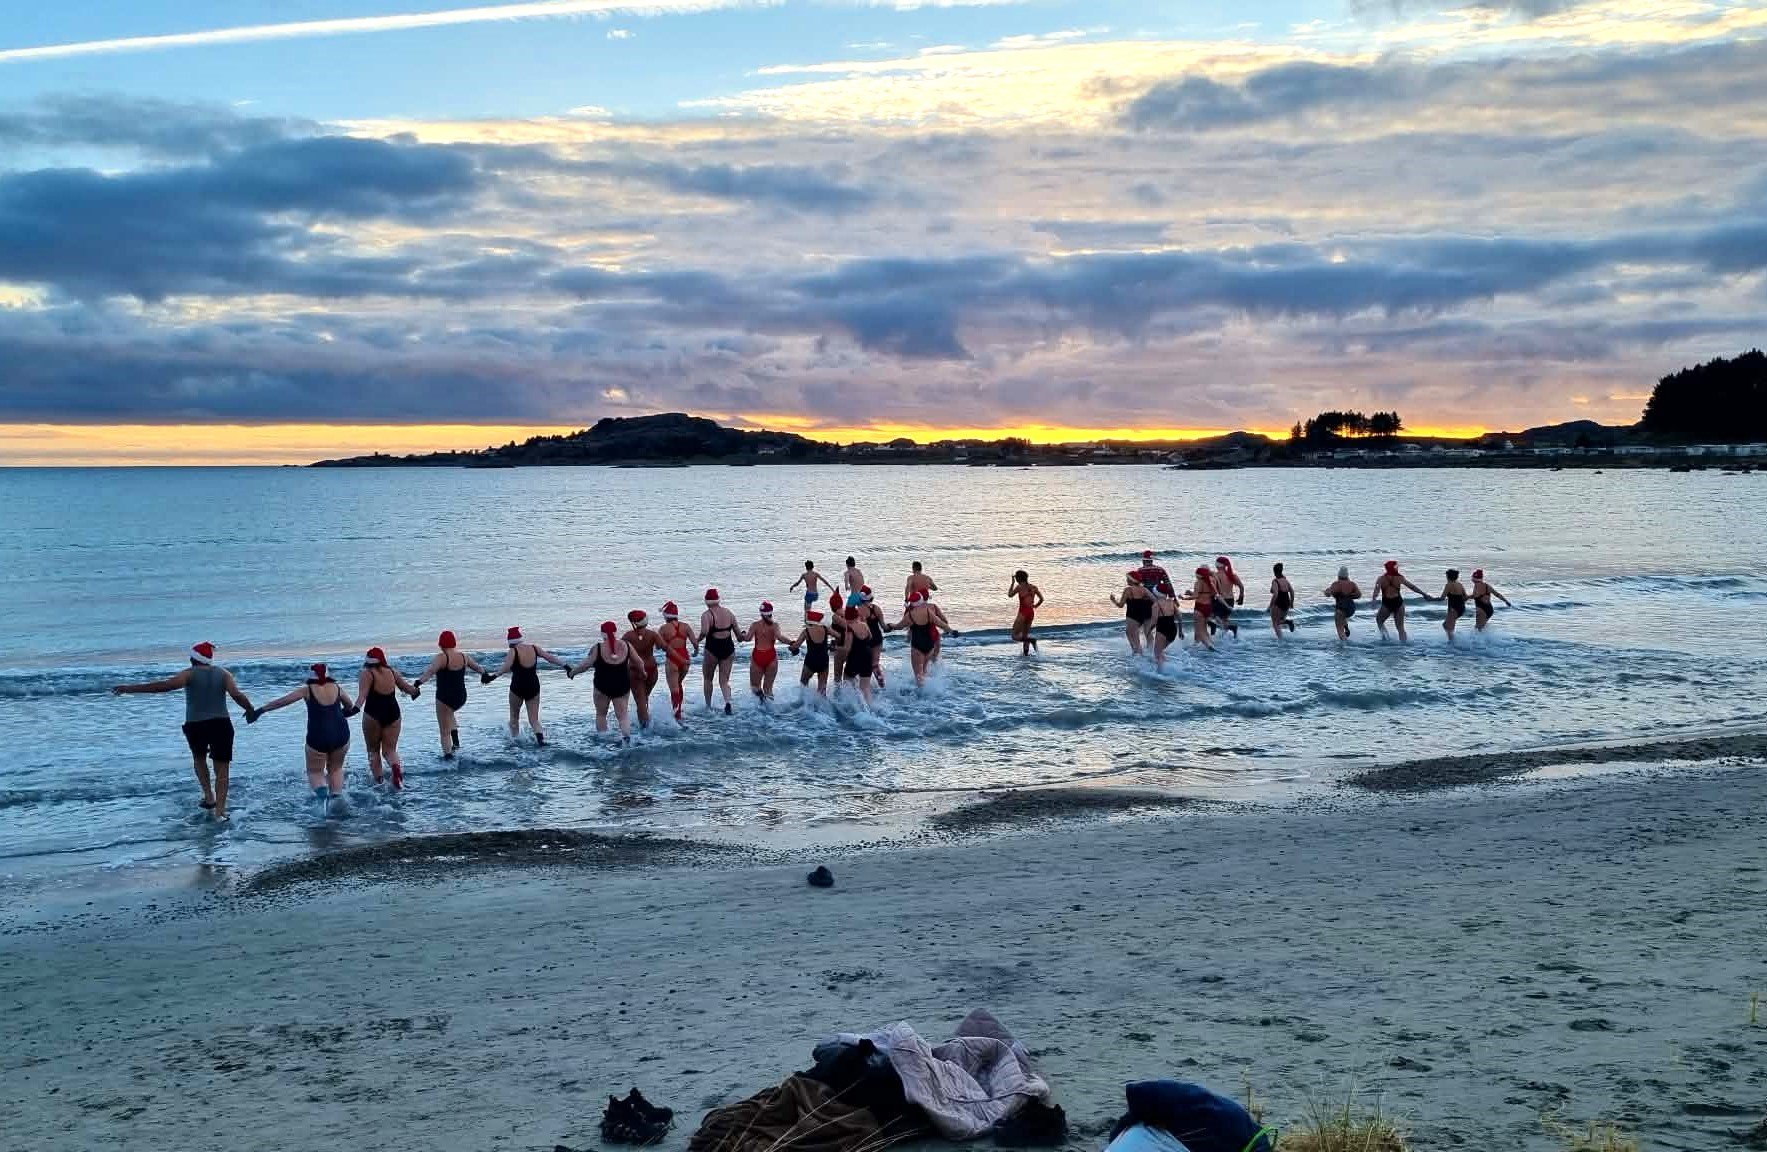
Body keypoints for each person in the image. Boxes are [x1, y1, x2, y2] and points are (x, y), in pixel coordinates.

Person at [111, 641, 254, 821]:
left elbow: (162, 687)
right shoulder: (224, 674)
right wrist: (250, 709)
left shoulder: (189, 674)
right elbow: (237, 695)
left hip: (196, 725)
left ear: (193, 659)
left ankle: (209, 796)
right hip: (221, 724)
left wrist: (129, 688)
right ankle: (220, 812)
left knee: (199, 759)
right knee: (222, 769)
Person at [251, 663, 357, 811]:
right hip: (341, 734)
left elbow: (283, 701)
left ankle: (323, 801)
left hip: (318, 736)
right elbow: (350, 707)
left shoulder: (307, 690)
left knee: (315, 771)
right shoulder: (337, 688)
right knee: (336, 768)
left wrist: (260, 711)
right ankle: (336, 799)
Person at [486, 626, 568, 745]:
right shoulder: (534, 648)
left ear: (510, 642)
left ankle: (515, 743)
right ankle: (541, 740)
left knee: (514, 718)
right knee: (534, 720)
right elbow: (550, 658)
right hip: (533, 686)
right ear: (521, 639)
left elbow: (506, 667)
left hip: (518, 687)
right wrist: (565, 666)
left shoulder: (513, 651)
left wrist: (493, 676)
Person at [414, 631, 487, 759]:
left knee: (444, 732)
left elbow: (430, 672)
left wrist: (418, 683)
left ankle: (448, 759)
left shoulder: (442, 658)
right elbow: (478, 668)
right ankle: (456, 744)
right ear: (454, 643)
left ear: (441, 644)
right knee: (450, 713)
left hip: (444, 698)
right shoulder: (464, 657)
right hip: (461, 697)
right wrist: (484, 675)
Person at [568, 621, 642, 744]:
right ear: (615, 632)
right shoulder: (626, 646)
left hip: (602, 686)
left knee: (601, 715)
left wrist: (572, 673)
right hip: (622, 685)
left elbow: (585, 665)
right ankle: (627, 740)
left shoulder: (597, 648)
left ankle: (603, 742)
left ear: (602, 634)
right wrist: (643, 673)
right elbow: (639, 662)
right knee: (623, 716)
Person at [357, 647, 419, 789]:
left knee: (373, 751)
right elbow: (408, 689)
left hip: (373, 714)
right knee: (390, 750)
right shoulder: (392, 671)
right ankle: (396, 770)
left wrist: (353, 710)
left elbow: (362, 696)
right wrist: (416, 691)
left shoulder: (367, 673)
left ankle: (379, 782)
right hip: (393, 713)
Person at [890, 591, 959, 686]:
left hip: (917, 646)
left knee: (918, 675)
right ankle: (929, 691)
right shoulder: (928, 612)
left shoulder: (910, 615)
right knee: (924, 671)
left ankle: (921, 693)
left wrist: (890, 625)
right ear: (921, 600)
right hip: (930, 645)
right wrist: (952, 631)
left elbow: (899, 626)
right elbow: (941, 623)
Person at [700, 589, 743, 713]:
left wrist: (696, 640)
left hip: (712, 648)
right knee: (724, 681)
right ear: (718, 600)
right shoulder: (729, 613)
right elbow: (739, 636)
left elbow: (704, 632)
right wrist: (744, 636)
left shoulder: (706, 615)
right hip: (728, 648)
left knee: (708, 679)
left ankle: (708, 706)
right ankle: (728, 702)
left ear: (706, 601)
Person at [1372, 560, 1433, 643]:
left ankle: (1385, 638)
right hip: (1398, 602)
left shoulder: (1381, 579)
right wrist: (1424, 594)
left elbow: (1376, 590)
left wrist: (1374, 599)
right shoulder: (1400, 578)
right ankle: (1404, 645)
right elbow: (1412, 587)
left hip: (1387, 603)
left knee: (1379, 621)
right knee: (1400, 628)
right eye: (1396, 567)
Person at [657, 602, 697, 724]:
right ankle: (679, 710)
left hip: (672, 659)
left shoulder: (663, 628)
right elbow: (695, 643)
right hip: (685, 658)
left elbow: (658, 646)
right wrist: (696, 651)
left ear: (666, 616)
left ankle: (677, 714)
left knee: (674, 688)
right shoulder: (686, 626)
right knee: (679, 684)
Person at [622, 610, 663, 729]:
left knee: (640, 701)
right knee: (644, 698)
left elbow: (619, 651)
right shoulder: (652, 634)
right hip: (652, 669)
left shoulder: (628, 636)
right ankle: (646, 721)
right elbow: (663, 647)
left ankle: (645, 728)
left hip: (635, 670)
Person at [836, 605, 876, 710]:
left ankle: (852, 707)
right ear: (856, 615)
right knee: (865, 687)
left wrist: (835, 647)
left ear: (847, 617)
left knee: (847, 682)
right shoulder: (864, 625)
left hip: (855, 658)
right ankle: (871, 708)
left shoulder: (849, 629)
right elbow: (870, 638)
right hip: (867, 657)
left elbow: (847, 648)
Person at [746, 602, 787, 701]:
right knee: (768, 689)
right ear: (771, 612)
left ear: (761, 613)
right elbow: (780, 637)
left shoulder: (755, 625)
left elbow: (747, 638)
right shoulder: (775, 625)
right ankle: (770, 708)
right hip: (771, 656)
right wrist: (792, 643)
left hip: (757, 656)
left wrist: (741, 634)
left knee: (755, 687)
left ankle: (760, 704)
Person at [791, 609, 834, 697]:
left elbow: (796, 646)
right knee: (822, 691)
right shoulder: (825, 629)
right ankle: (822, 705)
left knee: (803, 684)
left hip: (811, 660)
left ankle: (805, 703)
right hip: (823, 660)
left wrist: (791, 647)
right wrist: (831, 645)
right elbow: (839, 636)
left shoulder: (806, 631)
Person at [1111, 572, 1154, 655]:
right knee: (1147, 634)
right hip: (1144, 614)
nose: (1126, 580)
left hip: (1132, 615)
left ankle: (1139, 656)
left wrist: (1113, 600)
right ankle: (1151, 653)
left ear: (1132, 580)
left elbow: (1121, 605)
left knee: (1133, 637)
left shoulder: (1128, 590)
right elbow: (1155, 601)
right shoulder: (1144, 589)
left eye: (1128, 578)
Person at [1008, 570, 1043, 655]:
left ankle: (1032, 640)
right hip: (1031, 613)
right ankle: (1026, 655)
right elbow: (1041, 599)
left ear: (1019, 578)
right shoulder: (1034, 587)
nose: (1016, 579)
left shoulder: (1019, 587)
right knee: (1025, 636)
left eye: (1016, 577)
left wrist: (1012, 583)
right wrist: (1035, 606)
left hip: (1023, 613)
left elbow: (1010, 595)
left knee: (1014, 636)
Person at [861, 587, 889, 691]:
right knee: (875, 664)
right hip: (878, 638)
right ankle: (882, 686)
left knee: (862, 665)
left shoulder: (860, 610)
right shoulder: (876, 608)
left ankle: (863, 687)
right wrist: (893, 627)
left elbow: (862, 630)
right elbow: (884, 627)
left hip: (866, 640)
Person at [1210, 556, 1245, 639]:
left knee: (1213, 618)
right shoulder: (1232, 575)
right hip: (1231, 601)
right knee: (1224, 620)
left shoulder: (1215, 575)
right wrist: (1241, 598)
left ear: (1218, 565)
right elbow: (1241, 587)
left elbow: (1213, 590)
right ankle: (1225, 638)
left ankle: (1231, 628)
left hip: (1221, 601)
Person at [1324, 566, 1361, 642]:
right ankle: (1346, 627)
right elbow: (1359, 595)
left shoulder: (1336, 584)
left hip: (1341, 607)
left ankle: (1345, 644)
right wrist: (1349, 595)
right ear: (1347, 576)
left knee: (1340, 629)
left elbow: (1328, 593)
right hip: (1351, 608)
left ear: (1339, 575)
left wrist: (1326, 592)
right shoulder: (1352, 584)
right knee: (1343, 615)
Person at [1151, 581, 1182, 670]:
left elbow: (1154, 621)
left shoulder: (1156, 605)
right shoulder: (1171, 602)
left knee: (1157, 653)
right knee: (1160, 651)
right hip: (1173, 630)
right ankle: (1167, 667)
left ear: (1156, 593)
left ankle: (1161, 672)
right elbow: (1180, 617)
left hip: (1162, 629)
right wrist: (1180, 631)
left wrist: (1149, 631)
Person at [1191, 566, 1218, 650]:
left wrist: (1184, 598)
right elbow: (1214, 594)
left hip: (1199, 606)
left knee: (1199, 631)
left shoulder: (1198, 582)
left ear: (1199, 575)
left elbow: (1195, 596)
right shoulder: (1210, 582)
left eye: (1196, 573)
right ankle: (1209, 644)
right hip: (1208, 607)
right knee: (1204, 630)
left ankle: (1209, 646)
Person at [1268, 563, 1298, 638]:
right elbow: (1292, 591)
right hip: (1287, 602)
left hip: (1279, 602)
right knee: (1280, 620)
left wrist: (1270, 605)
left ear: (1274, 572)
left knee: (1275, 623)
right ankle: (1288, 622)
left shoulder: (1275, 581)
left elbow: (1275, 594)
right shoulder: (1285, 580)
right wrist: (1291, 603)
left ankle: (1280, 639)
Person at [1440, 570, 1469, 641]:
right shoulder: (1460, 584)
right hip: (1461, 608)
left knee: (1449, 628)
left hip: (1453, 609)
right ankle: (1455, 639)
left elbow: (1442, 598)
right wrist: (1459, 601)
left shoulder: (1448, 585)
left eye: (1446, 576)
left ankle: (1453, 644)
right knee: (1445, 625)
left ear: (1448, 576)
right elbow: (1466, 597)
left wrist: (1431, 599)